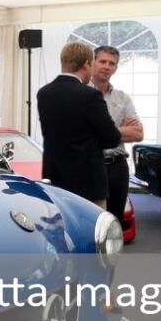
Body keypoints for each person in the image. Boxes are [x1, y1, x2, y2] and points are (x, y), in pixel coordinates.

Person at [36, 42, 121, 207]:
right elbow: (112, 139)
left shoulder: (44, 93)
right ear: (87, 64)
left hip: (55, 181)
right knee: (93, 231)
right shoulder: (90, 96)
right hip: (87, 184)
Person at [89, 45, 143, 220]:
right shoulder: (82, 94)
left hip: (118, 168)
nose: (107, 66)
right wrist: (120, 129)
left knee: (115, 222)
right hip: (91, 165)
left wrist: (103, 132)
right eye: (102, 61)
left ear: (116, 68)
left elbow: (138, 134)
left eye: (112, 63)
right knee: (92, 220)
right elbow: (82, 134)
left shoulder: (122, 98)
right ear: (92, 62)